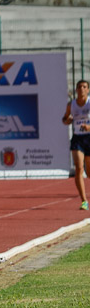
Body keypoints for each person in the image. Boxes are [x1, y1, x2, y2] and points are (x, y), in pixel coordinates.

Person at [62, 79, 90, 210]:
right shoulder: (71, 105)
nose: (81, 89)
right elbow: (64, 119)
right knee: (79, 168)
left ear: (88, 90)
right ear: (76, 90)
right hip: (78, 138)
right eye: (79, 87)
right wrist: (67, 120)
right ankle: (84, 200)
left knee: (89, 172)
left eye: (84, 87)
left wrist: (89, 127)